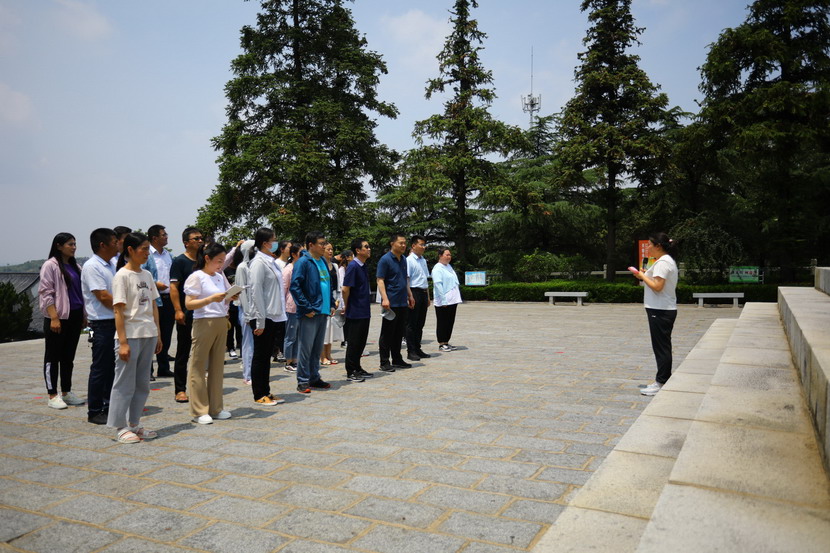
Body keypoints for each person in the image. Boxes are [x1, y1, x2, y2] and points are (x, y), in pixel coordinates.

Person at [109, 232, 162, 443]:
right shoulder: (122, 276)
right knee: (124, 383)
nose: (147, 253)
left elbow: (153, 306)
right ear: (130, 250)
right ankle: (120, 426)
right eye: (144, 249)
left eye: (148, 249)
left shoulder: (147, 275)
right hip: (130, 335)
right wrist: (122, 342)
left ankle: (134, 423)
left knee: (142, 384)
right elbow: (118, 310)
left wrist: (157, 333)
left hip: (148, 333)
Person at [184, 242, 237, 423]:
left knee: (217, 366)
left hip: (221, 320)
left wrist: (230, 296)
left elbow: (223, 297)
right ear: (207, 258)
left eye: (223, 261)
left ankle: (215, 407)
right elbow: (189, 304)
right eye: (218, 261)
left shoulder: (219, 276)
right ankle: (199, 410)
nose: (221, 264)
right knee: (198, 366)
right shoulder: (196, 277)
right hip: (204, 321)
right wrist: (210, 299)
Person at [38, 232, 86, 409]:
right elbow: (46, 292)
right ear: (58, 246)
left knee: (68, 357)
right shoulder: (50, 266)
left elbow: (81, 293)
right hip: (58, 317)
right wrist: (54, 317)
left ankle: (66, 391)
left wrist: (84, 315)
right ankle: (52, 394)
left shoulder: (76, 266)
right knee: (52, 356)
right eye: (70, 244)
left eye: (74, 244)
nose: (74, 247)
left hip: (75, 315)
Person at [632, 232, 679, 396]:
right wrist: (643, 275)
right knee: (662, 346)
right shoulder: (664, 261)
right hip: (661, 309)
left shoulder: (663, 263)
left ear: (658, 246)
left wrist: (642, 276)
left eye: (650, 244)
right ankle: (662, 380)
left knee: (661, 348)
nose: (648, 247)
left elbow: (658, 287)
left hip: (660, 310)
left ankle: (661, 382)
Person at [82, 228, 119, 424]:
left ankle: (109, 405)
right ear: (102, 245)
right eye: (114, 241)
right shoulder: (92, 266)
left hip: (115, 320)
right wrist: (125, 307)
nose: (117, 245)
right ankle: (95, 410)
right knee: (100, 367)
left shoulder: (112, 264)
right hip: (101, 323)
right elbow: (103, 296)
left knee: (112, 367)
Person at [290, 231, 334, 393]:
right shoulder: (303, 262)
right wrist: (305, 307)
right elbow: (295, 286)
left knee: (316, 349)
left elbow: (328, 284)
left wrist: (331, 303)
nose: (324, 246)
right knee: (305, 348)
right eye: (321, 244)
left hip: (323, 310)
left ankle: (314, 378)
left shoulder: (322, 261)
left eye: (324, 243)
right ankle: (302, 380)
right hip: (310, 312)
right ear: (311, 245)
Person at [247, 228, 287, 406]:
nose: (276, 243)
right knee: (260, 356)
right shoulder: (258, 263)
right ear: (265, 243)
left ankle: (266, 391)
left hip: (272, 315)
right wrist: (260, 320)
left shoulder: (270, 261)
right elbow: (256, 292)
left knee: (266, 357)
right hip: (262, 316)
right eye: (274, 240)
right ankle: (259, 393)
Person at [169, 226, 202, 404]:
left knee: (201, 353)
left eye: (201, 238)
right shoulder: (179, 261)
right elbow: (174, 287)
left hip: (203, 313)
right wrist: (178, 310)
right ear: (186, 242)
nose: (200, 241)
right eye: (196, 238)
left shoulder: (203, 260)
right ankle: (180, 389)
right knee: (183, 352)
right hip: (187, 313)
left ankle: (199, 387)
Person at [376, 233, 415, 372]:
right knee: (387, 333)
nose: (404, 245)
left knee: (399, 333)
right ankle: (384, 362)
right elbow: (380, 280)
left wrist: (410, 295)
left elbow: (404, 279)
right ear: (392, 244)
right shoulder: (385, 260)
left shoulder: (403, 259)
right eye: (401, 243)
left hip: (402, 302)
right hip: (390, 303)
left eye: (405, 243)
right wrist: (385, 298)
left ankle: (397, 359)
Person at [144, 225, 175, 378]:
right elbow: (142, 275)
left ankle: (163, 367)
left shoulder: (168, 255)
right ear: (154, 238)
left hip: (168, 299)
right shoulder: (147, 254)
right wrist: (156, 284)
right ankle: (147, 370)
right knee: (151, 334)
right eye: (163, 234)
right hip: (153, 299)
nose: (166, 236)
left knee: (166, 334)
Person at [341, 238, 373, 382]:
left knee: (361, 341)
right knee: (354, 342)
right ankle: (351, 371)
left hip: (364, 309)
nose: (369, 249)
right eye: (366, 247)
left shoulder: (363, 266)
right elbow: (345, 289)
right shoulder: (353, 266)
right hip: (355, 310)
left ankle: (358, 367)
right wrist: (347, 305)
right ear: (358, 250)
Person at [231, 241, 255, 384]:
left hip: (256, 310)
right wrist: (247, 314)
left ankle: (255, 372)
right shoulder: (242, 267)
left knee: (256, 345)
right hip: (246, 310)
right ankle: (248, 374)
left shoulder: (255, 266)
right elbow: (242, 292)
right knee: (248, 344)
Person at [405, 235, 432, 361]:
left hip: (423, 292)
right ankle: (411, 351)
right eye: (421, 244)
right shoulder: (409, 260)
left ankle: (417, 348)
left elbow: (425, 279)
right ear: (413, 245)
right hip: (414, 292)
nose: (423, 247)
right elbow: (407, 280)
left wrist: (428, 296)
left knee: (420, 323)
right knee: (412, 323)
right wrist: (410, 296)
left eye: (424, 245)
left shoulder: (423, 260)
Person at [432, 248, 462, 352]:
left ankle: (446, 341)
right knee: (442, 322)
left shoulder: (449, 266)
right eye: (447, 255)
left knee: (450, 322)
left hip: (453, 300)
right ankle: (441, 343)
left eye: (450, 255)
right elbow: (438, 285)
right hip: (443, 301)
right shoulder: (437, 268)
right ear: (440, 255)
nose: (449, 257)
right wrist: (443, 300)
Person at [320, 242, 342, 366]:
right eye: (328, 249)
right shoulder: (320, 264)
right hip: (324, 298)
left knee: (330, 329)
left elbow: (338, 284)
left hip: (333, 298)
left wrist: (338, 299)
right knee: (324, 328)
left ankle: (328, 354)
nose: (330, 251)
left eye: (331, 249)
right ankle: (322, 356)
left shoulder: (335, 266)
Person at [281, 243, 302, 373]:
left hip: (301, 306)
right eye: (301, 253)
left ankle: (295, 359)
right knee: (290, 336)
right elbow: (283, 288)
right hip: (291, 306)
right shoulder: (288, 269)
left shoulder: (301, 267)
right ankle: (288, 361)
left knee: (298, 336)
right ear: (294, 255)